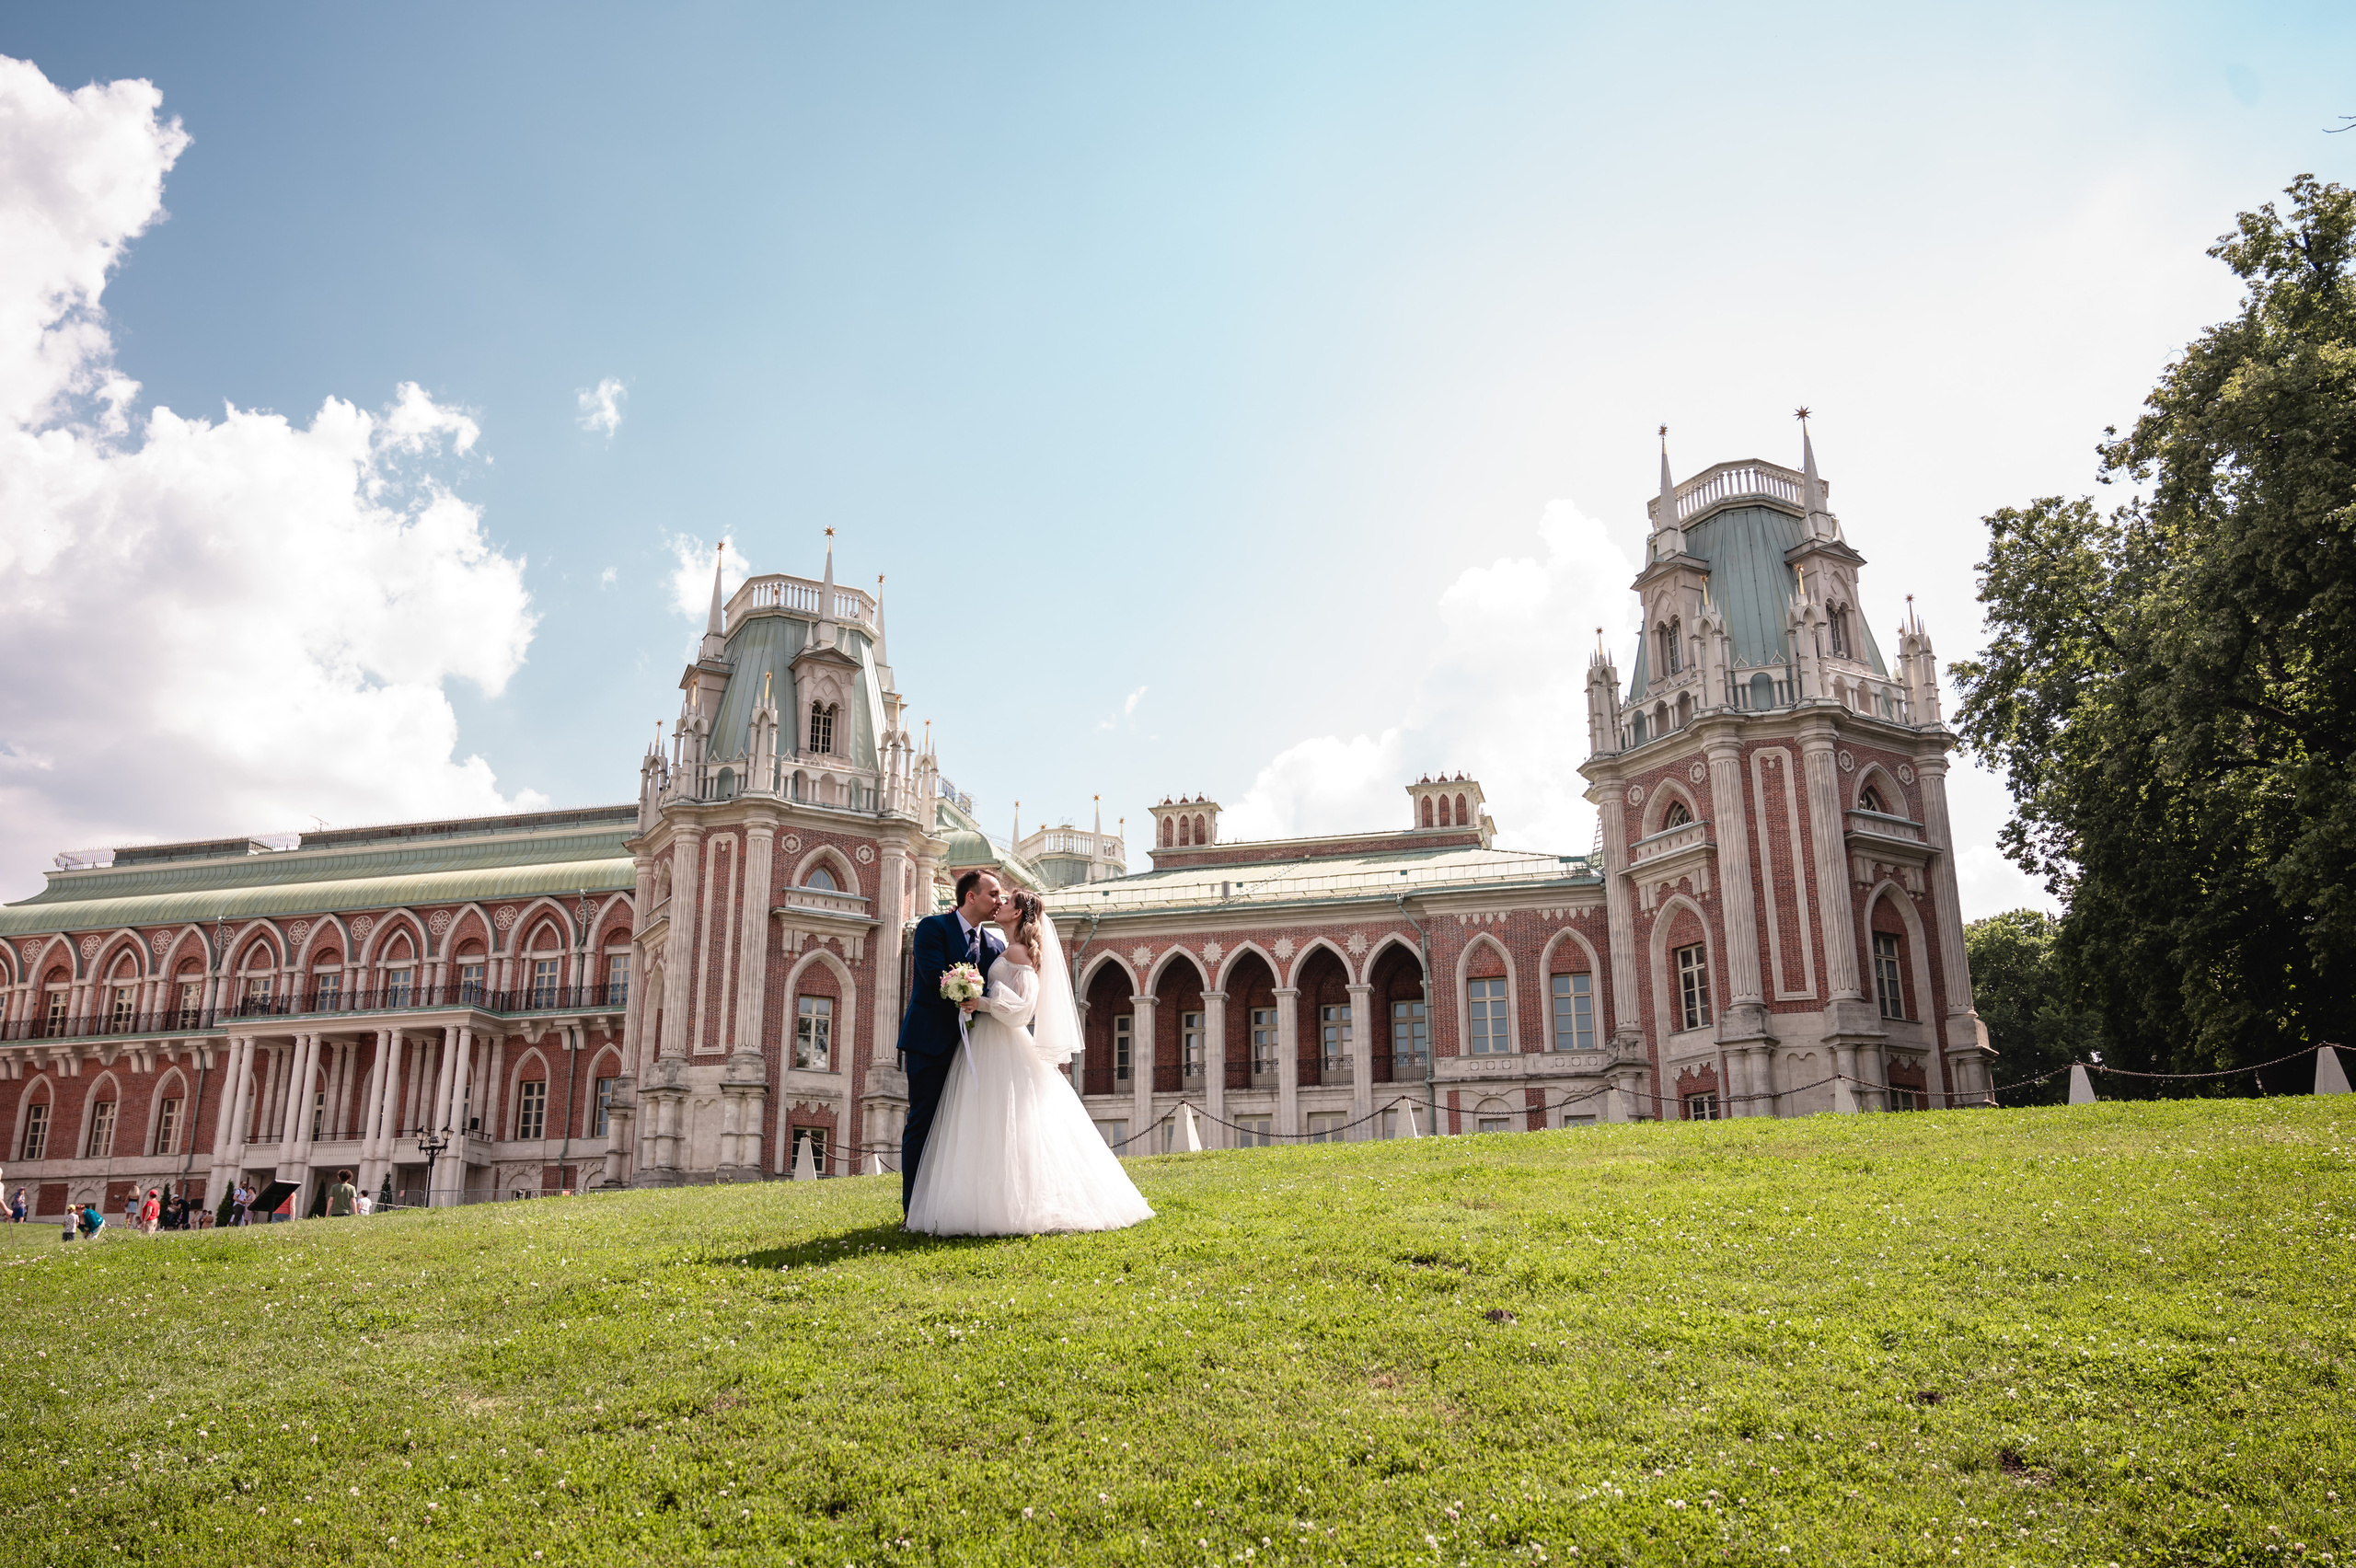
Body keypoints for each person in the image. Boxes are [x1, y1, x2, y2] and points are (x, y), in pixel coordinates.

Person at [905, 888, 1154, 1236]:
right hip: (984, 1042)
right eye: (996, 897)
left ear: (1018, 914)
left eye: (1006, 901)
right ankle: (981, 1202)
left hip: (1002, 1042)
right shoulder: (1001, 947)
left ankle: (1007, 1206)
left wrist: (982, 1002)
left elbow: (1023, 1011)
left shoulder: (1018, 953)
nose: (1000, 903)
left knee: (1008, 1125)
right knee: (985, 1126)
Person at [894, 868, 1005, 1216]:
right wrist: (966, 992)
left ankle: (952, 1205)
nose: (999, 901)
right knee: (923, 1123)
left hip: (975, 1049)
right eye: (993, 894)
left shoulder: (996, 945)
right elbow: (933, 977)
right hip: (930, 1044)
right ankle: (913, 1208)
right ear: (971, 896)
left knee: (965, 1126)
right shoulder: (933, 928)